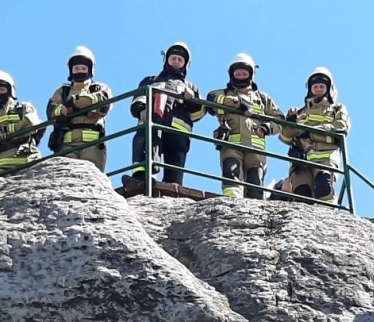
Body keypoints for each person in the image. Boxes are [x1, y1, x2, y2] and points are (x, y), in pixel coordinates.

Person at [124, 42, 201, 187]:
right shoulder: (150, 81)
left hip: (178, 130)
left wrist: (192, 100)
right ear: (166, 60)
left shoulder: (191, 87)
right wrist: (141, 110)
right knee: (144, 147)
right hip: (152, 124)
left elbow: (198, 114)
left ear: (185, 64)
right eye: (173, 58)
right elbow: (138, 98)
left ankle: (174, 188)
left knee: (176, 159)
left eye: (180, 59)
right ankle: (140, 179)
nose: (176, 61)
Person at [205, 53, 282, 198]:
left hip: (256, 150)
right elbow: (211, 100)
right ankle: (232, 206)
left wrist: (266, 128)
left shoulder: (263, 99)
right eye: (237, 73)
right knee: (231, 175)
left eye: (244, 73)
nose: (240, 76)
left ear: (251, 75)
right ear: (231, 75)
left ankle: (254, 213)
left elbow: (279, 120)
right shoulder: (222, 93)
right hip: (231, 146)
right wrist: (236, 103)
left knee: (255, 183)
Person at [280, 67, 351, 204]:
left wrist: (310, 132)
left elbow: (341, 129)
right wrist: (290, 122)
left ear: (329, 89)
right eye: (315, 86)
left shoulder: (337, 109)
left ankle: (329, 221)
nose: (318, 89)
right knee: (302, 194)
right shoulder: (300, 112)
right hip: (301, 161)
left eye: (321, 86)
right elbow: (285, 138)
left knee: (324, 189)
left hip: (325, 157)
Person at [45, 46, 113, 172]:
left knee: (92, 180)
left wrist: (73, 104)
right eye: (76, 68)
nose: (80, 71)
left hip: (92, 146)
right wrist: (86, 108)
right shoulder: (62, 91)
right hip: (67, 145)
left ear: (90, 69)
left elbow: (103, 106)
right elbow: (52, 112)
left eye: (83, 68)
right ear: (71, 70)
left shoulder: (100, 88)